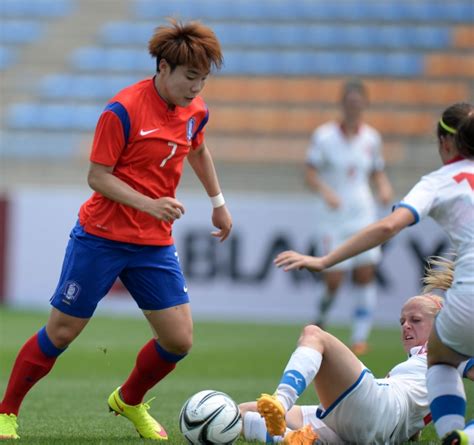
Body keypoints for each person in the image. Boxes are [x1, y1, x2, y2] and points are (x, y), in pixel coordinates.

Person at [0, 19, 232, 441]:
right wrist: (150, 204)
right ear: (163, 67)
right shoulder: (122, 110)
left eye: (203, 80)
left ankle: (128, 399)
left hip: (152, 245)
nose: (196, 89)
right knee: (62, 332)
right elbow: (98, 177)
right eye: (190, 77)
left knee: (179, 340)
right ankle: (6, 412)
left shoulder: (195, 111)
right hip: (101, 237)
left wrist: (218, 204)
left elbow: (197, 147)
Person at [274, 102, 474, 444]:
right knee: (440, 359)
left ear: (445, 143)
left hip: (466, 296)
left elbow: (386, 227)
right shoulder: (328, 137)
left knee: (440, 360)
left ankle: (455, 434)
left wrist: (326, 261)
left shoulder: (440, 181)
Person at [241, 258, 474, 444]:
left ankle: (282, 400)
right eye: (402, 321)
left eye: (415, 319)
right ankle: (292, 439)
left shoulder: (448, 348)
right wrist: (414, 430)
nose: (405, 326)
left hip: (377, 408)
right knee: (243, 412)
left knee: (314, 334)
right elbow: (417, 410)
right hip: (367, 426)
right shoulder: (422, 366)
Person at [304, 79, 393, 355]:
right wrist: (325, 191)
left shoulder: (371, 138)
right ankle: (321, 320)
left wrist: (383, 186)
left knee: (365, 273)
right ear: (343, 104)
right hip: (334, 217)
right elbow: (309, 172)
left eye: (358, 102)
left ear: (365, 104)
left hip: (363, 214)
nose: (354, 107)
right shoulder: (324, 136)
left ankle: (360, 337)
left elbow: (376, 170)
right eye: (350, 102)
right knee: (334, 277)